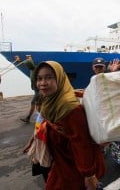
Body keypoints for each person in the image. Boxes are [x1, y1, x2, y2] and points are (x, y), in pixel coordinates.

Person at [33, 61, 105, 190]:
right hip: (61, 164)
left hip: (75, 169)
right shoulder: (50, 102)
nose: (42, 83)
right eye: (39, 78)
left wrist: (88, 175)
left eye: (49, 77)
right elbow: (47, 125)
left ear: (60, 78)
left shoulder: (70, 108)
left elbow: (82, 143)